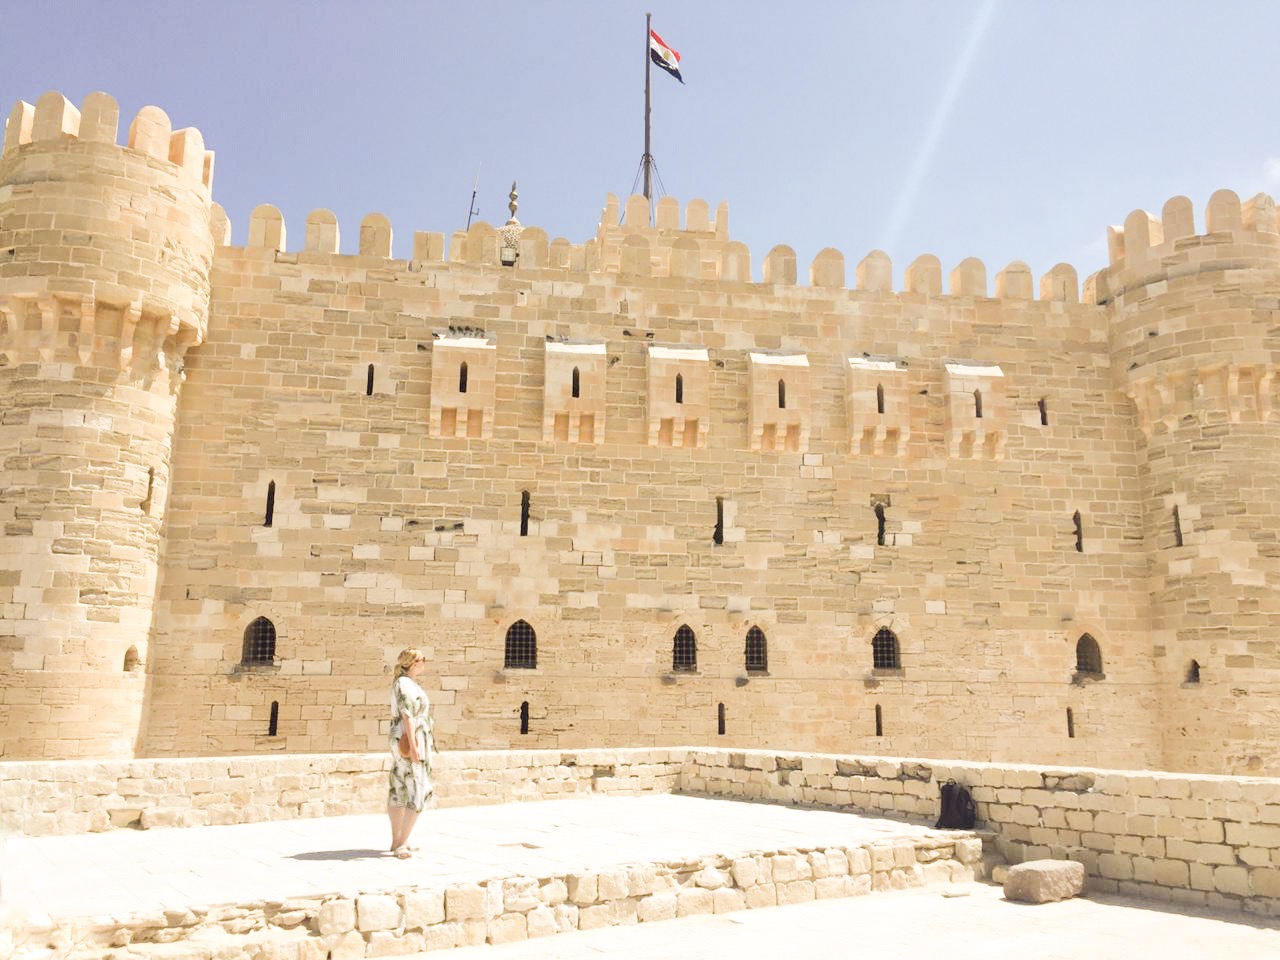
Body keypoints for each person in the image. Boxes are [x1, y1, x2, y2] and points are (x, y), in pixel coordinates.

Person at [387, 647, 434, 858]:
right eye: (422, 660)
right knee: (418, 788)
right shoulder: (405, 684)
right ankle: (402, 843)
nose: (424, 663)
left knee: (399, 787)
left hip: (405, 736)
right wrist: (415, 748)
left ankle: (397, 840)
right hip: (410, 737)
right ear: (414, 663)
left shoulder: (406, 683)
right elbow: (408, 715)